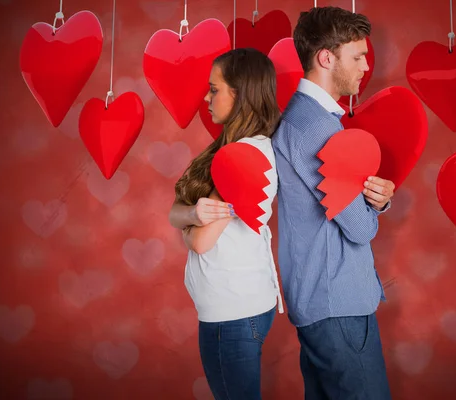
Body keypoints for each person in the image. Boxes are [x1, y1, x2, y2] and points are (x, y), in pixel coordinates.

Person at [271, 6, 395, 399]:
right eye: (357, 56)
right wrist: (374, 209)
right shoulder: (315, 127)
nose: (364, 66)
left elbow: (343, 204)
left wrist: (378, 199)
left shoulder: (308, 119)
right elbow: (359, 228)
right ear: (327, 58)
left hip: (323, 299)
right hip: (337, 302)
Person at [168, 48, 284, 400]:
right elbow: (177, 211)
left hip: (233, 312)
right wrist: (190, 217)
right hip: (237, 307)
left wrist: (188, 224)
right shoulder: (233, 148)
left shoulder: (244, 156)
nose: (207, 97)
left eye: (214, 89)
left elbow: (200, 242)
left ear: (240, 92)